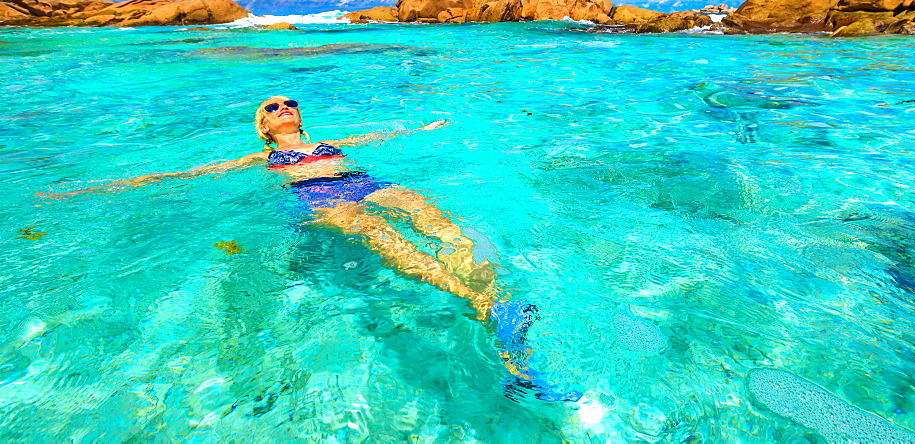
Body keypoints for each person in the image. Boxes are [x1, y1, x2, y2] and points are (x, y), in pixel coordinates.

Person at [50, 95, 580, 401]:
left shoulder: (333, 144)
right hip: (319, 199)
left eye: (290, 103)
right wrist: (93, 189)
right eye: (272, 106)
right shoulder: (260, 160)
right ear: (264, 127)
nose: (284, 107)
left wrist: (433, 125)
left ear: (299, 118)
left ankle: (500, 309)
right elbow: (184, 173)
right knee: (382, 237)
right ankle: (484, 308)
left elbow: (388, 137)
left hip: (367, 181)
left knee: (434, 218)